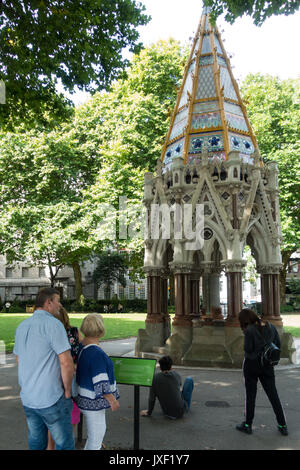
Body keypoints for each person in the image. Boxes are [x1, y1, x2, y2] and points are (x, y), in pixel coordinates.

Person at [13, 288, 75, 450]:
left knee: (36, 442)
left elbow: (19, 360)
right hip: (52, 397)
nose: (60, 305)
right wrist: (68, 391)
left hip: (29, 397)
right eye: (58, 300)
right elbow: (66, 363)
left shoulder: (22, 326)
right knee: (64, 444)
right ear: (48, 303)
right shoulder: (54, 325)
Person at [236, 308, 288, 436]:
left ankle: (248, 425)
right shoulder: (270, 326)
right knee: (273, 395)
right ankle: (283, 425)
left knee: (250, 396)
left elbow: (248, 349)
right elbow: (277, 344)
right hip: (267, 365)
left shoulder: (249, 330)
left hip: (251, 366)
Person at [74, 314, 120, 450]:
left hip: (83, 397)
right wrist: (112, 400)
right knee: (96, 437)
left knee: (94, 437)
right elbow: (100, 380)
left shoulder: (83, 348)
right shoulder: (96, 353)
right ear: (100, 329)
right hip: (93, 401)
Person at [47, 306, 84, 450]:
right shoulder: (74, 332)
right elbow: (82, 347)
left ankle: (51, 446)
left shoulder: (49, 333)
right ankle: (67, 440)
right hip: (71, 376)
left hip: (52, 377)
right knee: (72, 411)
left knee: (53, 415)